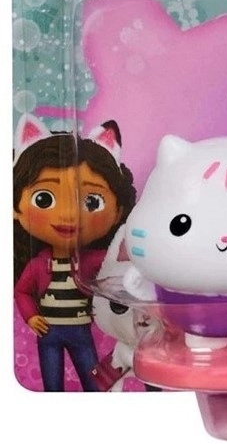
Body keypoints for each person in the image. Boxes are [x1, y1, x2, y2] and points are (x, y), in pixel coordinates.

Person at [13, 114, 136, 391]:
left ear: (118, 210)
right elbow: (21, 291)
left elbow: (117, 276)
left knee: (93, 380)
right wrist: (31, 316)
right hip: (48, 331)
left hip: (81, 330)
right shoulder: (37, 265)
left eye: (92, 201)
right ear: (14, 206)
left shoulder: (96, 261)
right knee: (52, 383)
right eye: (44, 198)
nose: (69, 214)